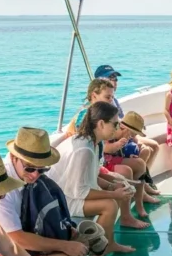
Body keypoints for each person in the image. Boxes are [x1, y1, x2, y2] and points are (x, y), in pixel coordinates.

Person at [0, 126, 120, 256]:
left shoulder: (28, 175)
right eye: (29, 169)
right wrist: (63, 245)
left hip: (25, 240)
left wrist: (68, 232)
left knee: (79, 242)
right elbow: (16, 239)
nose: (35, 175)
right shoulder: (3, 188)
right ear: (14, 158)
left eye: (42, 170)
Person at [56, 100, 151, 238]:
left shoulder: (94, 142)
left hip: (71, 193)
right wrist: (114, 194)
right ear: (101, 124)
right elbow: (80, 192)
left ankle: (111, 241)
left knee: (119, 187)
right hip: (64, 200)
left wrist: (113, 185)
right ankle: (101, 253)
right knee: (110, 205)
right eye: (115, 124)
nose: (118, 127)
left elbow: (92, 176)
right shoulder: (84, 150)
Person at [65, 78, 153, 215]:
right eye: (107, 97)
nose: (110, 100)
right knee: (124, 176)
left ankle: (136, 200)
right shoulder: (86, 119)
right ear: (94, 95)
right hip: (92, 168)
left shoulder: (103, 116)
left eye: (112, 97)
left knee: (127, 179)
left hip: (97, 164)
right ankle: (126, 216)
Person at [94, 64, 162, 187]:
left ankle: (145, 182)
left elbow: (122, 121)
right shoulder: (100, 110)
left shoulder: (114, 100)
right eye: (110, 78)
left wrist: (134, 138)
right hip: (115, 140)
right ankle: (143, 185)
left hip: (122, 134)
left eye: (115, 79)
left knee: (154, 146)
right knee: (146, 151)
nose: (114, 81)